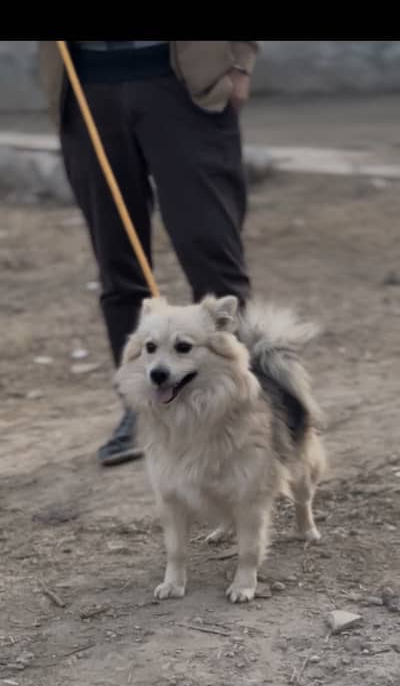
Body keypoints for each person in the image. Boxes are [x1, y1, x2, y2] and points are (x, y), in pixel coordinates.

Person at [39, 40, 261, 466]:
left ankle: (242, 404)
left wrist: (241, 63)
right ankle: (140, 405)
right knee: (117, 262)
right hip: (85, 87)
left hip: (182, 81)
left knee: (212, 253)